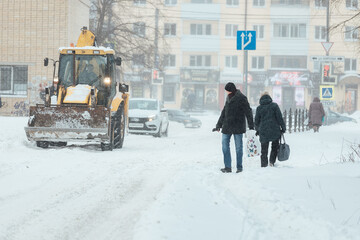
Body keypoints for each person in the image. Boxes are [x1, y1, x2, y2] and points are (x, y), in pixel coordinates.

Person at [213, 82, 254, 173]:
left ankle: (239, 167)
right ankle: (228, 167)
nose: (226, 92)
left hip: (238, 126)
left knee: (238, 148)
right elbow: (224, 112)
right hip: (227, 126)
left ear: (231, 90)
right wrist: (218, 125)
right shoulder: (228, 98)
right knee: (224, 146)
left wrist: (251, 126)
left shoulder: (242, 98)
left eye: (227, 91)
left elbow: (248, 112)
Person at [254, 92, 286, 167]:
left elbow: (256, 121)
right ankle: (271, 161)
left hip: (263, 130)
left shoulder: (259, 108)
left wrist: (257, 130)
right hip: (274, 130)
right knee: (275, 147)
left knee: (264, 149)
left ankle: (264, 164)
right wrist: (283, 128)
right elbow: (279, 118)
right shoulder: (274, 106)